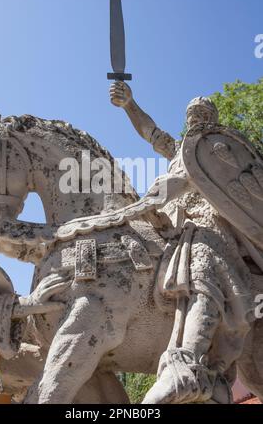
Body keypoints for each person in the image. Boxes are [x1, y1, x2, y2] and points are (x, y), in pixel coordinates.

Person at [110, 81, 254, 404]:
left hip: (210, 233)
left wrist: (154, 197)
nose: (194, 119)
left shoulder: (217, 155)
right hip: (171, 232)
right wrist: (129, 103)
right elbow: (151, 132)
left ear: (212, 121)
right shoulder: (180, 151)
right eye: (191, 115)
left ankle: (191, 362)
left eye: (201, 115)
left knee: (205, 260)